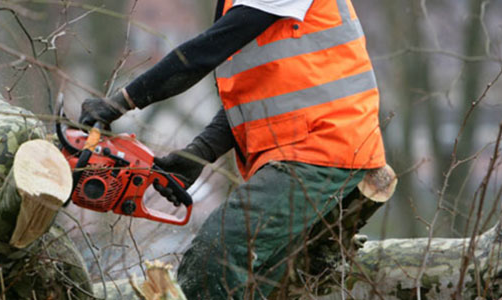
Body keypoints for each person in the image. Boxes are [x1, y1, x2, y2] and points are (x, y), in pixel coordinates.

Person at [79, 0, 386, 298]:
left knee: (217, 256)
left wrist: (120, 101)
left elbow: (202, 54)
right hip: (300, 150)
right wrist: (198, 153)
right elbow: (254, 96)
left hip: (325, 146)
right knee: (258, 283)